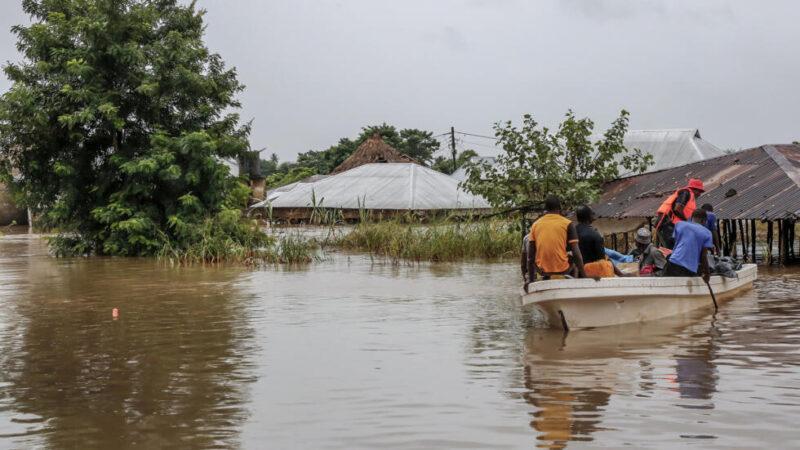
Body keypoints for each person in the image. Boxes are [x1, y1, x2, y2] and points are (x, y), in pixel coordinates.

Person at [525, 196, 589, 291]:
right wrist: (584, 277)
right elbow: (576, 253)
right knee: (573, 257)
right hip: (563, 270)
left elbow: (530, 257)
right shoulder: (568, 223)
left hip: (542, 271)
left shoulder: (535, 225)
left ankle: (547, 277)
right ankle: (574, 283)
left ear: (545, 210)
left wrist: (530, 280)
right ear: (559, 208)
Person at [662, 209, 713, 282]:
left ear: (692, 218)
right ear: (703, 221)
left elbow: (677, 243)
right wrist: (707, 273)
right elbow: (703, 256)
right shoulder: (707, 233)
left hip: (673, 262)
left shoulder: (679, 224)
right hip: (689, 268)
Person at [654, 178, 705, 249]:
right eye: (699, 191)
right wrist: (687, 221)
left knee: (672, 249)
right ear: (694, 189)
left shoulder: (689, 196)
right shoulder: (686, 193)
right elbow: (677, 208)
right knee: (673, 249)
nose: (699, 194)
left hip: (669, 225)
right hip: (667, 224)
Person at [575, 205, 624, 278]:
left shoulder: (571, 232)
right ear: (588, 216)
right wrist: (620, 274)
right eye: (592, 213)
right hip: (591, 275)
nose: (594, 214)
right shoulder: (595, 235)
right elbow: (602, 259)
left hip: (574, 273)